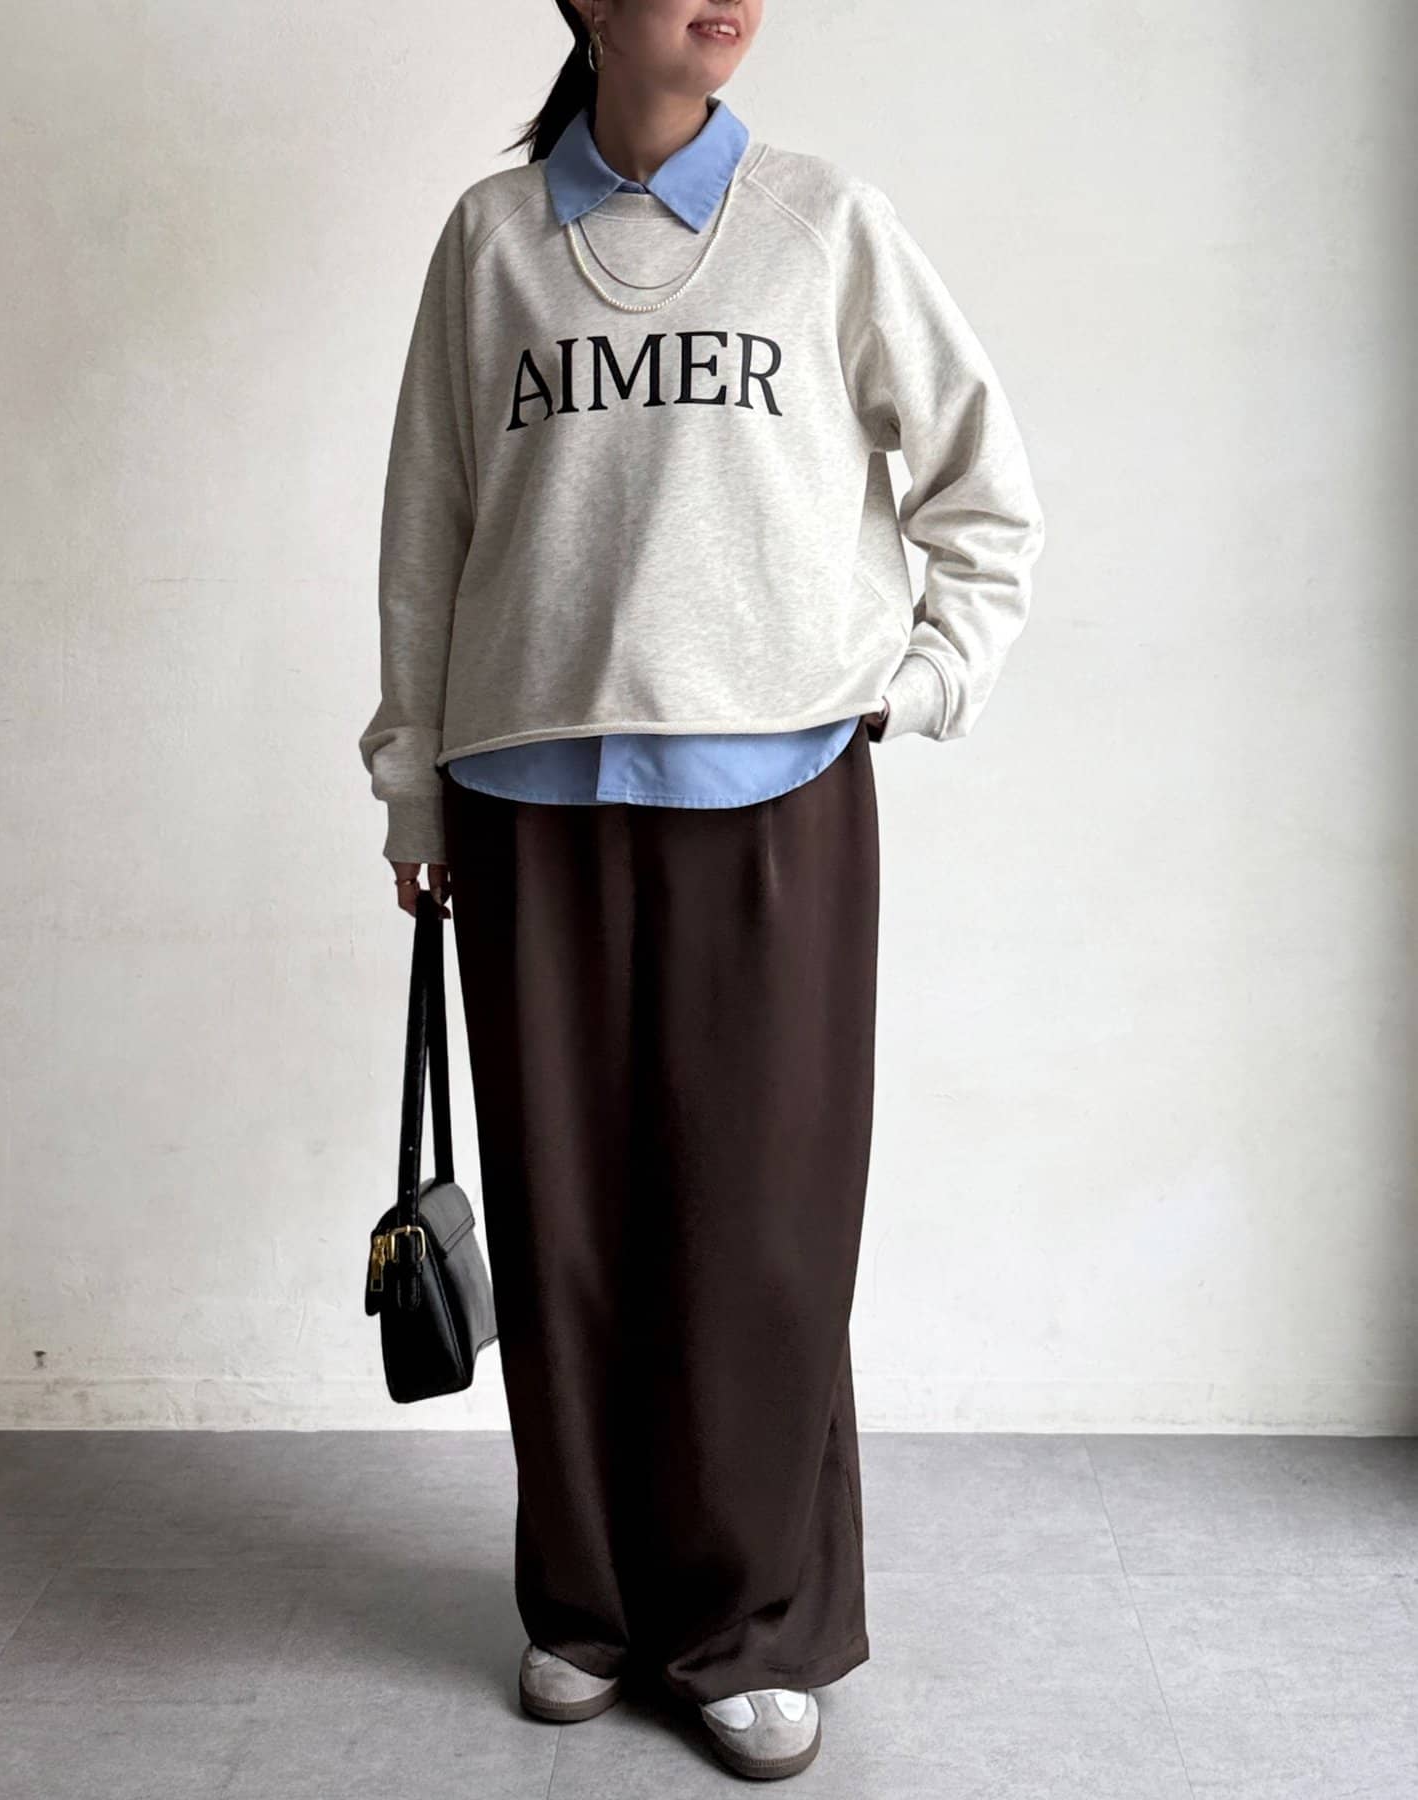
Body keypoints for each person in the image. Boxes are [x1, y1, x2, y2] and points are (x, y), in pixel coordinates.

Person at [358, 0, 1044, 1780]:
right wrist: (413, 775)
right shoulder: (492, 239)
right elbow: (429, 524)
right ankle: (585, 1604)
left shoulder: (823, 222)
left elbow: (980, 484)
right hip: (524, 796)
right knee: (567, 1223)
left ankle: (750, 1622)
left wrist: (922, 680)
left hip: (777, 798)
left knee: (759, 1224)